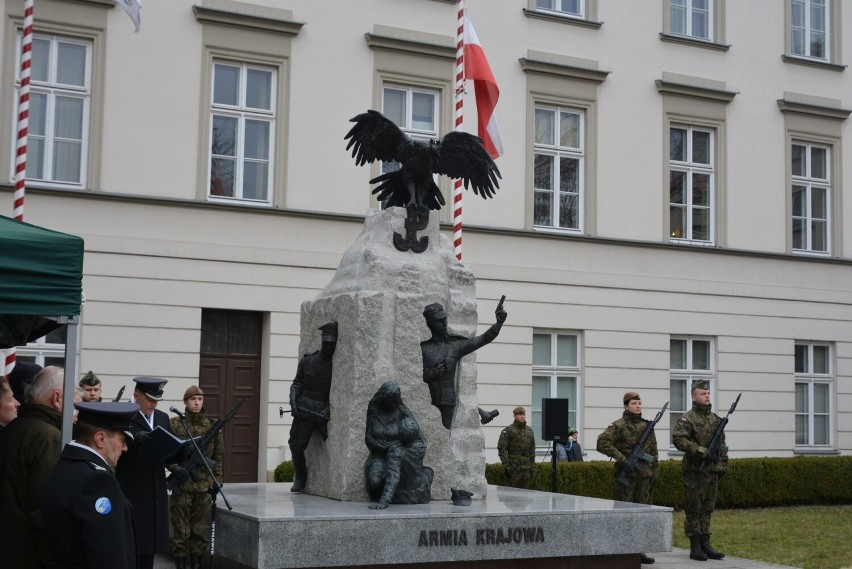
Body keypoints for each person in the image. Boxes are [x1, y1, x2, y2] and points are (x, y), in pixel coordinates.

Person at [41, 401, 140, 569]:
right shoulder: (97, 482)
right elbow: (109, 555)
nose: (125, 448)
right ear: (100, 439)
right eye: (122, 440)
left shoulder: (65, 466)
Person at [0, 366, 65, 568]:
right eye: (72, 403)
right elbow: (45, 510)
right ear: (57, 398)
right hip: (29, 556)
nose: (76, 412)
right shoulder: (48, 437)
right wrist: (52, 561)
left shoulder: (14, 428)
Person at [420, 300, 507, 429]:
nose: (444, 324)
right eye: (439, 321)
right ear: (430, 323)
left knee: (444, 433)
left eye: (444, 319)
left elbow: (483, 339)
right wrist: (431, 374)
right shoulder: (424, 347)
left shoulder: (455, 346)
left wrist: (499, 323)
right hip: (424, 400)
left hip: (447, 400)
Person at [116, 376, 173, 569]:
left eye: (157, 399)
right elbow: (112, 453)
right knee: (131, 552)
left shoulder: (162, 418)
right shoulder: (124, 416)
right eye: (150, 398)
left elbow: (167, 453)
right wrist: (132, 442)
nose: (154, 403)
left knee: (149, 554)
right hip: (132, 493)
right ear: (136, 395)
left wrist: (182, 453)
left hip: (155, 494)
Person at [596, 391, 659, 565]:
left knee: (640, 515)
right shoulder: (618, 425)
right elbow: (601, 443)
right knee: (623, 514)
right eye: (634, 403)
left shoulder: (648, 426)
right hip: (626, 478)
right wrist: (623, 459)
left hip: (644, 477)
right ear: (625, 406)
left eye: (639, 403)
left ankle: (638, 550)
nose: (638, 406)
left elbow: (653, 453)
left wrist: (655, 473)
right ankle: (620, 550)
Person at [672, 380, 728, 562]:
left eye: (708, 393)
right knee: (694, 510)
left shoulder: (715, 420)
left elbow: (722, 446)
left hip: (712, 472)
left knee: (707, 509)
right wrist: (700, 450)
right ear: (693, 396)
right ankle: (695, 546)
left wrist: (723, 465)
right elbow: (679, 441)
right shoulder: (687, 419)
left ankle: (706, 543)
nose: (707, 396)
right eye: (702, 394)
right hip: (695, 472)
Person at [169, 385, 224, 569]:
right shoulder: (175, 424)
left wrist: (216, 479)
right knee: (181, 532)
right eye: (193, 399)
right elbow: (166, 452)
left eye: (199, 399)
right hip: (183, 486)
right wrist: (174, 468)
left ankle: (196, 565)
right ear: (186, 402)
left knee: (199, 531)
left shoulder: (212, 425)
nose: (197, 403)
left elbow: (218, 456)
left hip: (203, 487)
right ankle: (180, 565)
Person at [365, 380, 433, 509]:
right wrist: (380, 446)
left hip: (396, 455)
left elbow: (419, 437)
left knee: (395, 474)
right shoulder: (373, 409)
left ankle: (394, 491)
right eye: (389, 401)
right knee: (374, 483)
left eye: (395, 401)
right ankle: (390, 487)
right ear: (383, 398)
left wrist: (413, 449)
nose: (392, 404)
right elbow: (368, 437)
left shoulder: (403, 412)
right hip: (379, 456)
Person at [288, 321, 337, 493]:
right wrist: (293, 402)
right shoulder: (308, 361)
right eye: (326, 343)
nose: (329, 347)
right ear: (322, 342)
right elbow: (297, 383)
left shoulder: (336, 365)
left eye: (332, 344)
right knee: (295, 444)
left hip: (323, 410)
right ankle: (301, 475)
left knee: (333, 446)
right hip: (305, 408)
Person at [497, 406, 535, 489]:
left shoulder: (529, 431)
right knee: (512, 495)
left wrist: (532, 466)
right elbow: (502, 449)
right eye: (520, 415)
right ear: (514, 416)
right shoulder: (508, 430)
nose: (522, 416)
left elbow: (532, 450)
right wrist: (506, 466)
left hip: (526, 469)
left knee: (525, 496)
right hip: (513, 469)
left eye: (524, 414)